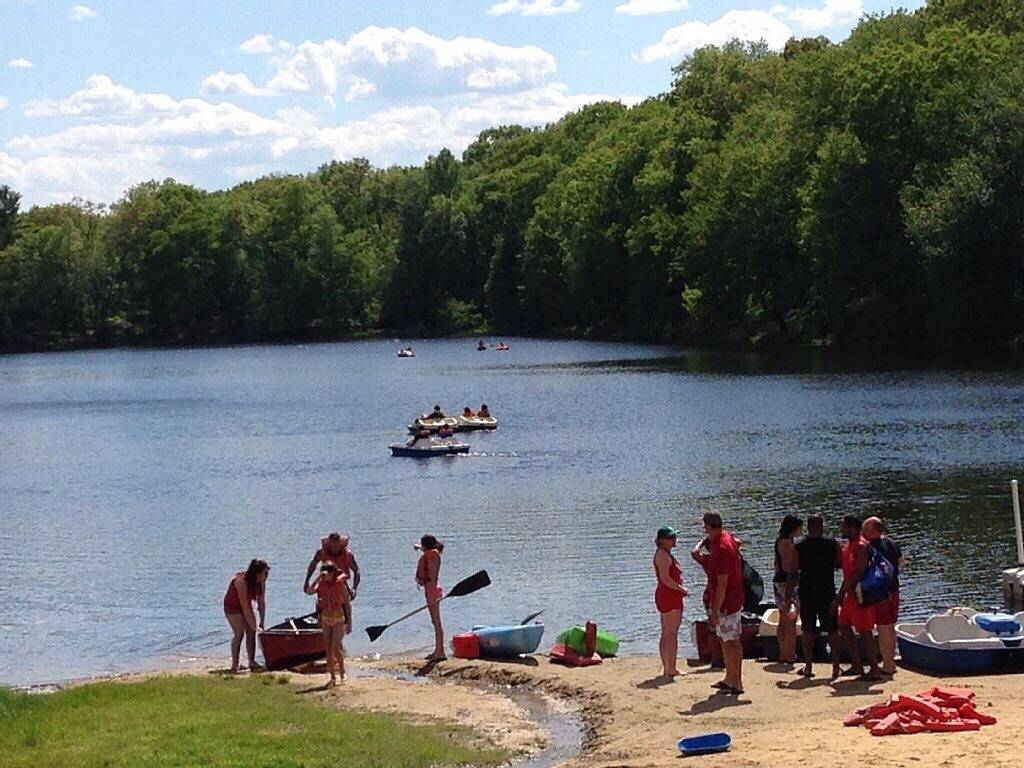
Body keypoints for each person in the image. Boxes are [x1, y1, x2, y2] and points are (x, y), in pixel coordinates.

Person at [833, 515, 881, 681]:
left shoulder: (860, 546)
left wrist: (841, 593)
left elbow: (859, 571)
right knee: (843, 625)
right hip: (850, 595)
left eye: (844, 527)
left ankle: (874, 668)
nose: (841, 530)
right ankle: (857, 664)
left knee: (866, 632)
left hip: (860, 595)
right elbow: (847, 573)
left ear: (852, 528)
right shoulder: (849, 545)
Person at [704, 511, 746, 695]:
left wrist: (715, 610)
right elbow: (738, 542)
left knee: (731, 642)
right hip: (733, 598)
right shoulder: (726, 537)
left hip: (728, 602)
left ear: (708, 526)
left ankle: (736, 682)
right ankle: (731, 678)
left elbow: (722, 584)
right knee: (726, 640)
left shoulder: (721, 548)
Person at [795, 515, 841, 678]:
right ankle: (836, 667)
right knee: (832, 630)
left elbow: (794, 570)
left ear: (808, 527)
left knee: (807, 630)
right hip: (827, 591)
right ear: (822, 527)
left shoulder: (799, 546)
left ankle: (808, 666)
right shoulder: (832, 544)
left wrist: (789, 595)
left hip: (807, 592)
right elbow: (839, 564)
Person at [863, 516, 904, 676]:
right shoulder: (893, 543)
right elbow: (901, 563)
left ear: (874, 530)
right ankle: (891, 660)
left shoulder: (870, 547)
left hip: (880, 593)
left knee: (883, 627)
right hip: (894, 589)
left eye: (865, 529)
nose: (863, 532)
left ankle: (888, 664)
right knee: (890, 626)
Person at [304, 533, 361, 635]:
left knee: (345, 605)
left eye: (337, 546)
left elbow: (356, 571)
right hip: (325, 585)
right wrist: (307, 581)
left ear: (340, 544)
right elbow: (313, 565)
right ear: (329, 544)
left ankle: (345, 628)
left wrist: (354, 588)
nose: (335, 548)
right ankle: (321, 633)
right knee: (321, 606)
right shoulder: (321, 553)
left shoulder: (347, 554)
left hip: (341, 585)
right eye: (333, 546)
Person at [304, 561, 349, 685]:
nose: (325, 574)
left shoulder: (340, 584)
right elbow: (309, 591)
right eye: (323, 571)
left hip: (338, 618)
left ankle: (342, 671)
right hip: (326, 618)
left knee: (335, 646)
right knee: (328, 649)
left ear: (333, 572)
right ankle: (332, 677)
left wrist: (349, 621)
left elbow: (347, 603)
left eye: (328, 571)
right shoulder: (321, 583)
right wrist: (318, 578)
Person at [223, 559, 269, 674]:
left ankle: (252, 663)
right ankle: (234, 665)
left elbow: (261, 603)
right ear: (256, 573)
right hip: (232, 607)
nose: (266, 576)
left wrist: (261, 622)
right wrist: (254, 626)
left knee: (251, 631)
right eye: (265, 573)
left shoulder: (261, 583)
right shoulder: (241, 582)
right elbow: (245, 607)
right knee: (239, 633)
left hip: (246, 606)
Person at [653, 525, 688, 677]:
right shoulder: (663, 555)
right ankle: (671, 668)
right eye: (671, 537)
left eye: (675, 536)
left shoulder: (664, 554)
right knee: (671, 633)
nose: (675, 540)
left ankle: (667, 667)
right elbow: (666, 579)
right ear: (662, 541)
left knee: (666, 632)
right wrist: (681, 589)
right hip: (669, 596)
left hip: (666, 595)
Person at [773, 515, 803, 664]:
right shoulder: (786, 543)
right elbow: (787, 566)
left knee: (783, 618)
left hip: (779, 581)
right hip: (787, 583)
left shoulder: (780, 541)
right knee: (791, 618)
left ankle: (783, 653)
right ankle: (789, 654)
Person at [690, 536, 723, 667]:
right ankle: (719, 657)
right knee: (718, 627)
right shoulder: (722, 559)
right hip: (717, 595)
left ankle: (717, 658)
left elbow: (694, 552)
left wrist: (702, 542)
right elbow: (738, 543)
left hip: (710, 594)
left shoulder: (708, 560)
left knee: (713, 627)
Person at [416, 534, 446, 660]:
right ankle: (437, 650)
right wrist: (419, 547)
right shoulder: (430, 553)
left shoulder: (433, 555)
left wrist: (419, 548)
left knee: (437, 622)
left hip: (432, 591)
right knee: (434, 622)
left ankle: (440, 652)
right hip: (430, 589)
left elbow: (432, 575)